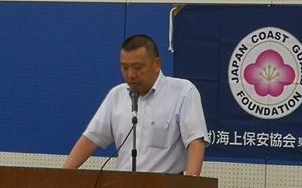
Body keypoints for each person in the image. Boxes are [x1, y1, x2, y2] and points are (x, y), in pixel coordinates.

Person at [63, 34, 209, 176]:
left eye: (137, 67)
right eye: (125, 68)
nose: (131, 75)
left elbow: (195, 141)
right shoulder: (117, 95)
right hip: (123, 185)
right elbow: (91, 138)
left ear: (157, 64)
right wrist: (62, 176)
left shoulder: (183, 91)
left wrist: (191, 184)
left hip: (167, 187)